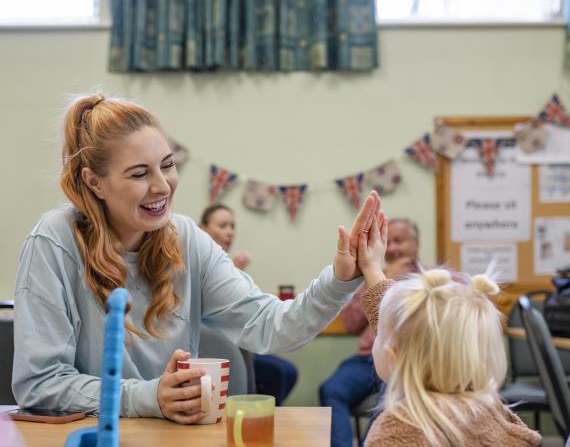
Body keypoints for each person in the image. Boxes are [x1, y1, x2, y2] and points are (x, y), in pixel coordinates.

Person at [12, 92, 381, 426]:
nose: (163, 186)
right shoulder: (54, 242)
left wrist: (338, 280)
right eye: (140, 173)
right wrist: (149, 396)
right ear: (94, 183)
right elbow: (40, 384)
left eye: (168, 165)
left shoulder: (186, 239)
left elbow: (270, 326)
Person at [238, 215, 541, 447]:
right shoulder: (486, 412)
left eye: (382, 333)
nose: (378, 330)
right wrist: (371, 268)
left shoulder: (410, 436)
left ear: (393, 357)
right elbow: (407, 329)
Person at [319, 218, 420, 447]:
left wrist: (394, 286)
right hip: (366, 359)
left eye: (401, 240)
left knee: (392, 396)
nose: (394, 248)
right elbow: (351, 323)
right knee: (331, 389)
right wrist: (379, 282)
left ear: (416, 244)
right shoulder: (371, 276)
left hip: (405, 361)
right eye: (390, 242)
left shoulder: (431, 280)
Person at [200, 203, 298, 405]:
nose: (229, 232)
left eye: (232, 226)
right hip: (212, 349)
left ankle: (259, 416)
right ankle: (254, 416)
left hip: (238, 344)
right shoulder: (199, 259)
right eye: (223, 225)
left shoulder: (226, 263)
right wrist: (235, 269)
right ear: (203, 229)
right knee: (278, 373)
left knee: (288, 371)